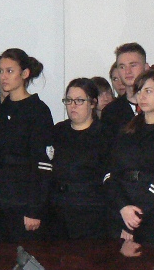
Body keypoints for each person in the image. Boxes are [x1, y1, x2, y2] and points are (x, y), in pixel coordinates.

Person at [0, 49, 53, 244]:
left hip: (22, 203)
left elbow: (43, 165)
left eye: (10, 71)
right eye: (0, 71)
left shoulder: (38, 110)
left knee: (22, 259)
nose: (3, 76)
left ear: (25, 73)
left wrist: (34, 209)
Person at [104, 69, 154, 255]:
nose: (142, 96)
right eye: (139, 91)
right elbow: (111, 172)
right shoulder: (127, 130)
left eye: (148, 91)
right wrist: (123, 207)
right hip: (123, 212)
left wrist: (135, 218)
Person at [47, 78, 112, 240]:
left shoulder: (104, 135)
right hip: (58, 210)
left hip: (90, 211)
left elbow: (109, 177)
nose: (73, 105)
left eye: (79, 101)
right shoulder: (58, 131)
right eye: (69, 100)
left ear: (93, 103)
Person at [102, 43, 151, 133]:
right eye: (122, 67)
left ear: (146, 68)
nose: (127, 71)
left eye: (133, 65)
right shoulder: (110, 112)